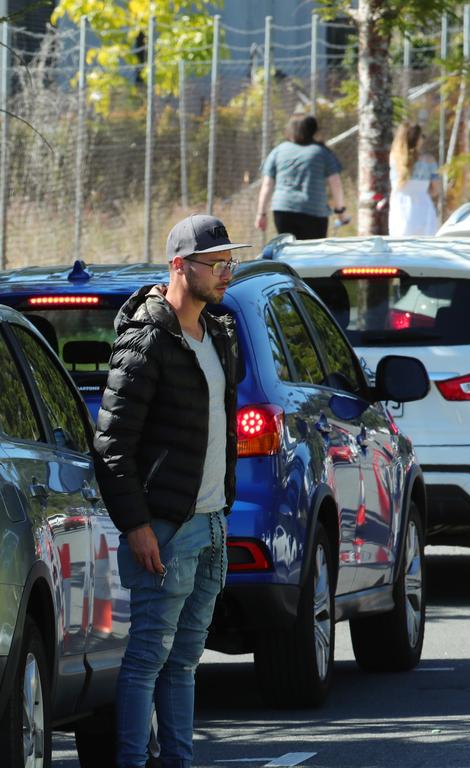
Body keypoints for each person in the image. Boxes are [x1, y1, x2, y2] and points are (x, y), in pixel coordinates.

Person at [93, 214, 247, 768]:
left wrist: (222, 512)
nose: (226, 273)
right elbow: (111, 445)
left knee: (184, 661)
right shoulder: (147, 339)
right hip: (165, 527)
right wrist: (136, 526)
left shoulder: (220, 334)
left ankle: (178, 761)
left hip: (210, 524)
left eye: (231, 263)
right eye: (216, 264)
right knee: (146, 660)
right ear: (180, 266)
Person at [255, 113, 347, 239]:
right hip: (314, 212)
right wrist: (340, 211)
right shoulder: (322, 152)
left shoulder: (279, 150)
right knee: (312, 254)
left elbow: (267, 185)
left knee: (288, 252)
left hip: (283, 209)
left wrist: (261, 213)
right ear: (313, 129)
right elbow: (335, 183)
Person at [388, 122, 441, 235]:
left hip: (399, 209)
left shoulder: (394, 159)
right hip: (423, 209)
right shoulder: (429, 160)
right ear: (417, 139)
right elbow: (435, 190)